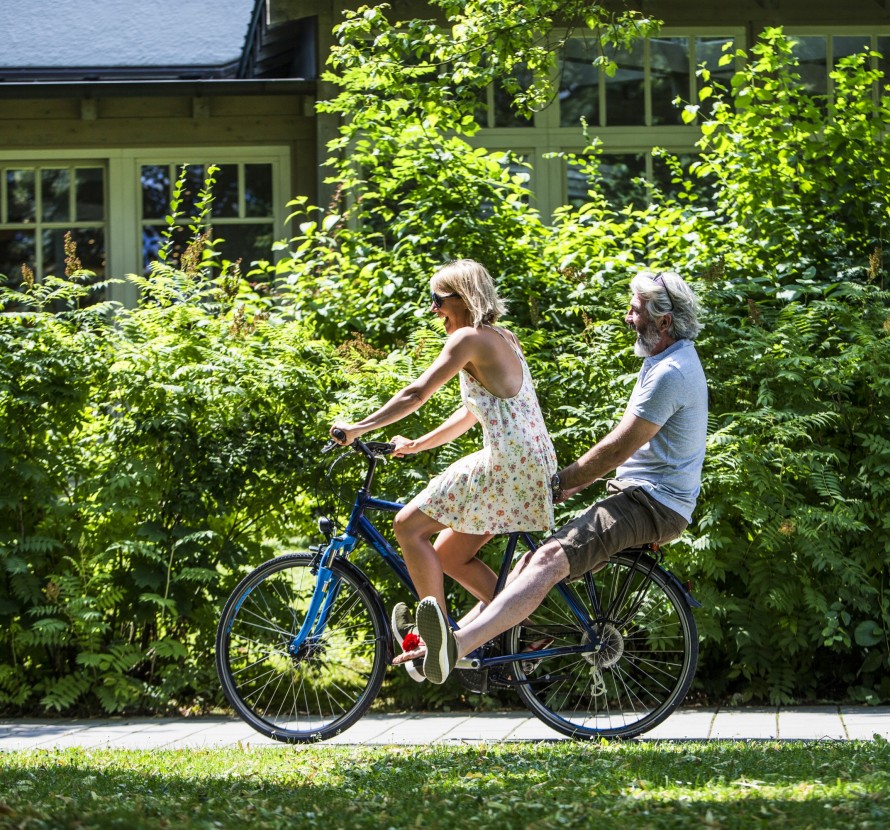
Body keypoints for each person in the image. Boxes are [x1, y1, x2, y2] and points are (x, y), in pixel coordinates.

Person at [399, 269, 708, 684]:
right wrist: (579, 481)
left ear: (664, 322)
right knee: (527, 565)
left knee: (546, 559)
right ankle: (452, 641)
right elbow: (636, 448)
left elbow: (621, 445)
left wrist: (565, 479)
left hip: (654, 504)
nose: (627, 318)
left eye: (634, 312)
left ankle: (454, 648)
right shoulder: (665, 361)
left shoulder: (671, 372)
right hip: (640, 495)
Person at [329, 259, 557, 681]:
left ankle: (436, 643)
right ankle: (525, 633)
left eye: (438, 300)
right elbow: (473, 411)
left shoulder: (469, 339)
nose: (434, 310)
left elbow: (416, 393)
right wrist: (418, 443)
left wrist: (358, 427)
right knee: (450, 556)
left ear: (463, 298)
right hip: (528, 463)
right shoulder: (500, 338)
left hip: (506, 462)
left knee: (407, 526)